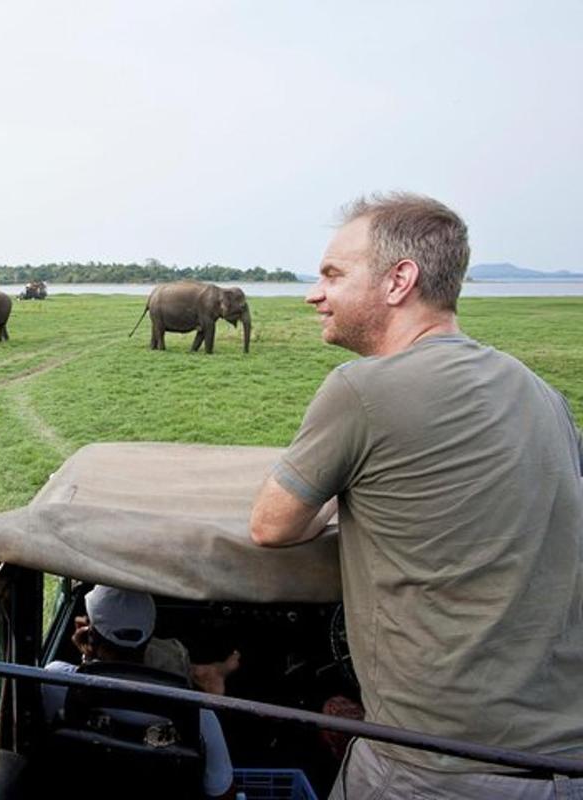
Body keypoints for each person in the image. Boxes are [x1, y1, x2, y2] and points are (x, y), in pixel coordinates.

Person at [249, 193, 583, 798]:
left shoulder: (362, 388)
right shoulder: (542, 394)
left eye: (333, 274)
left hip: (434, 767)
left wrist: (339, 491)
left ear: (400, 280)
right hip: (563, 763)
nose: (312, 294)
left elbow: (272, 526)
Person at [41, 585, 237, 799]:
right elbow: (221, 791)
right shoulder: (199, 716)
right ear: (150, 639)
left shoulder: (56, 682)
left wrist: (87, 658)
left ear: (89, 634)